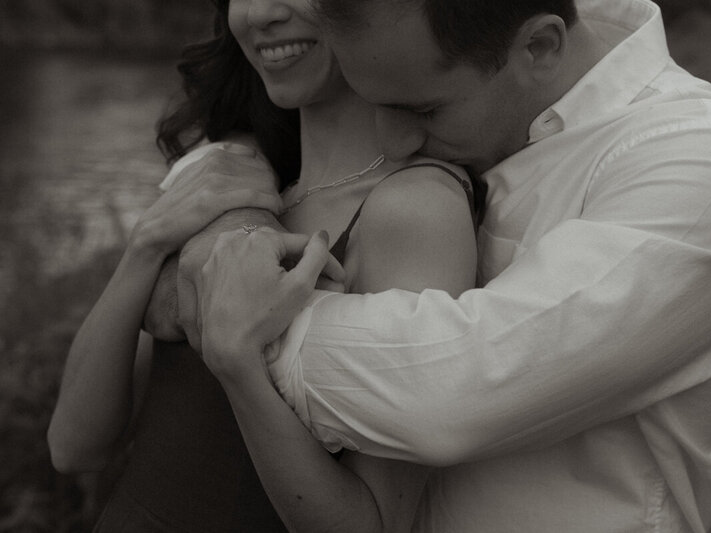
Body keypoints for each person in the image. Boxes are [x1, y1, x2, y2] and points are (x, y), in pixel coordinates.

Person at [157, 0, 711, 531]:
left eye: (423, 111)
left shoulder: (705, 163)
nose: (391, 141)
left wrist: (227, 303)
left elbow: (451, 392)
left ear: (540, 47)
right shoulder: (463, 35)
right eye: (371, 100)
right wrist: (241, 196)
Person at [47, 0, 477, 530]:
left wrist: (239, 365)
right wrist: (148, 243)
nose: (259, 13)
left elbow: (373, 522)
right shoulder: (238, 186)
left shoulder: (414, 210)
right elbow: (73, 447)